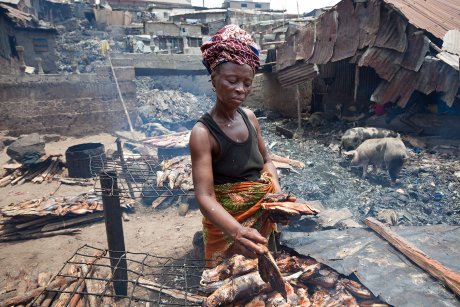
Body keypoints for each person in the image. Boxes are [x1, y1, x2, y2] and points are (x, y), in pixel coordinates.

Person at [189, 25, 282, 266]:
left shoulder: (250, 118)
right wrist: (237, 231)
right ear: (214, 78)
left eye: (247, 83)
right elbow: (205, 196)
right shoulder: (203, 133)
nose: (241, 89)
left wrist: (276, 194)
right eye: (232, 80)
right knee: (226, 285)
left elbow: (267, 161)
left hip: (262, 215)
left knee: (263, 282)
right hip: (227, 227)